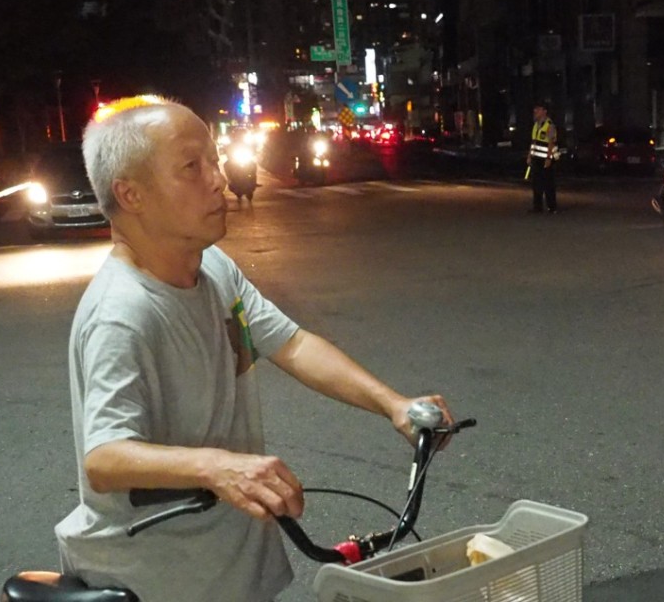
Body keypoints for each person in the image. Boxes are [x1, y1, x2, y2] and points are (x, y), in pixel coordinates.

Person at [54, 95, 455, 602]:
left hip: (228, 558)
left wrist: (393, 405)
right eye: (192, 167)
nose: (218, 180)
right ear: (131, 194)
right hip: (158, 577)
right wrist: (219, 467)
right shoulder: (123, 312)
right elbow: (105, 457)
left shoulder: (213, 268)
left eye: (215, 162)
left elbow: (293, 344)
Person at [526, 101, 558, 213]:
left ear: (545, 111)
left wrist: (549, 158)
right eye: (535, 110)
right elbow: (533, 141)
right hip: (536, 158)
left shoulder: (549, 125)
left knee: (548, 183)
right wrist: (530, 155)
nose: (535, 112)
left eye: (538, 109)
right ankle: (537, 207)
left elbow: (551, 142)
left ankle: (552, 207)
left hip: (546, 159)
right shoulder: (536, 125)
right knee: (536, 184)